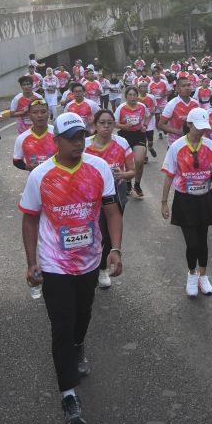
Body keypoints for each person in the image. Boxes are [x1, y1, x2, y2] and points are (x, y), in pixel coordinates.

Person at [20, 113, 123, 424]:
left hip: (90, 260)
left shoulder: (99, 168)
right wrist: (31, 262)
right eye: (71, 138)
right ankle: (68, 396)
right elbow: (30, 219)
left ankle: (80, 344)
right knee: (61, 327)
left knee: (83, 315)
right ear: (56, 140)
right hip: (55, 264)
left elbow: (111, 211)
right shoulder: (40, 175)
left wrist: (115, 249)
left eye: (82, 136)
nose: (78, 142)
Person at [161, 108, 212, 297]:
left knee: (203, 240)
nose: (201, 131)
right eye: (197, 127)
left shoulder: (211, 146)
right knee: (192, 243)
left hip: (204, 198)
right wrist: (164, 201)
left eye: (204, 127)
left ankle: (203, 276)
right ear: (189, 124)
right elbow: (169, 175)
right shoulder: (177, 146)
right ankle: (191, 274)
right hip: (184, 199)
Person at [86, 109, 134, 289]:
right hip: (90, 196)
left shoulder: (121, 143)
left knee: (107, 232)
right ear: (95, 125)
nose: (106, 127)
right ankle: (87, 264)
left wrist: (123, 174)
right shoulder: (84, 145)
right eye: (102, 123)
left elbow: (132, 171)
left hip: (116, 192)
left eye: (110, 123)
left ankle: (103, 269)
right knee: (92, 231)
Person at [114, 85, 150, 198]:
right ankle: (128, 184)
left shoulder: (142, 106)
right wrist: (124, 126)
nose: (132, 97)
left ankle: (137, 185)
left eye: (134, 95)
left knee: (139, 161)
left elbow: (148, 116)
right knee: (127, 163)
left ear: (137, 96)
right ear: (126, 97)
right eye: (130, 95)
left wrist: (144, 125)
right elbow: (114, 123)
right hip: (125, 135)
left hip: (139, 135)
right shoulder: (121, 108)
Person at [12, 100, 56, 172]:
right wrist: (27, 166)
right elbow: (17, 160)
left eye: (43, 112)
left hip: (58, 181)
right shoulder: (22, 138)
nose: (40, 115)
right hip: (34, 182)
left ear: (48, 113)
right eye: (35, 112)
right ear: (29, 116)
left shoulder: (58, 134)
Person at [158, 76, 200, 147]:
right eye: (183, 86)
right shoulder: (171, 104)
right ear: (177, 89)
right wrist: (179, 132)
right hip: (175, 143)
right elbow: (161, 125)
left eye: (188, 85)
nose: (187, 88)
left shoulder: (196, 103)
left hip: (193, 142)